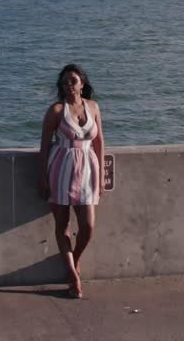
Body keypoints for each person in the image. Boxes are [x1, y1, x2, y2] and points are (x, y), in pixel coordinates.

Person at [37, 63, 104, 299]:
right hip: (60, 168)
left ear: (82, 83)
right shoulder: (56, 111)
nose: (68, 85)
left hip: (87, 169)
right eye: (64, 82)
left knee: (88, 226)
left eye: (72, 81)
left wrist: (101, 176)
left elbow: (99, 143)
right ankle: (73, 275)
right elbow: (44, 147)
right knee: (62, 225)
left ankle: (73, 260)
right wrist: (42, 178)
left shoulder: (94, 107)